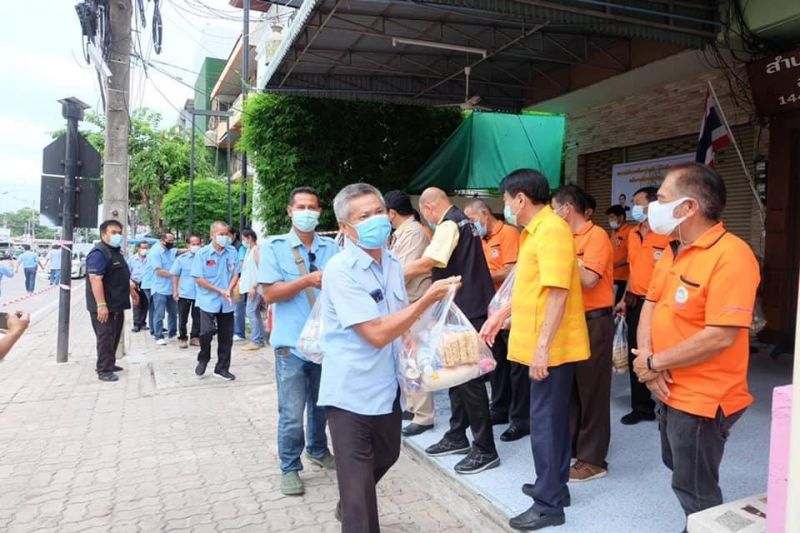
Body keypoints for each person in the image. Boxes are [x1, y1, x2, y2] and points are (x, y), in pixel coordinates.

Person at [317, 182, 459, 532]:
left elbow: (396, 313)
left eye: (379, 212)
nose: (376, 219)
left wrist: (411, 342)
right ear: (346, 227)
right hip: (349, 393)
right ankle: (353, 504)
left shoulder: (393, 262)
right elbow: (377, 332)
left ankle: (350, 499)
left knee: (388, 454)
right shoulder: (340, 271)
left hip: (386, 386)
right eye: (364, 216)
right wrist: (428, 300)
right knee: (361, 502)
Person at [632, 163, 759, 524]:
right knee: (676, 465)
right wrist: (647, 362)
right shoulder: (674, 249)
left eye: (661, 199)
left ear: (689, 207)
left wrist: (653, 364)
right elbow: (650, 304)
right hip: (668, 387)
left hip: (703, 398)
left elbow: (721, 334)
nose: (652, 208)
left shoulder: (732, 255)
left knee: (696, 489)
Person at [481, 169, 590, 531]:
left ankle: (548, 505)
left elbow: (558, 292)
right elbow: (532, 287)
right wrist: (501, 315)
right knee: (550, 422)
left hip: (551, 349)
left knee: (545, 425)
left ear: (520, 198)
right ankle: (555, 487)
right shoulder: (535, 232)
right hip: (538, 344)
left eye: (506, 200)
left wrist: (542, 349)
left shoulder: (552, 231)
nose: (506, 207)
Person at [405, 187, 498, 475]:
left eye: (426, 215)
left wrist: (391, 272)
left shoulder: (448, 225)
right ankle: (457, 434)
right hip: (467, 308)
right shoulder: (465, 222)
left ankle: (485, 448)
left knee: (469, 380)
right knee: (456, 375)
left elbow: (429, 262)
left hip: (466, 311)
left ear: (429, 208)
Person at [258, 187, 339, 496]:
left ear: (320, 212)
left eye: (312, 207)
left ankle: (317, 449)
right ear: (290, 211)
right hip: (290, 346)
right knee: (292, 413)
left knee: (321, 405)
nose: (307, 212)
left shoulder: (332, 248)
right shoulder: (274, 247)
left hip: (324, 343)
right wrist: (306, 280)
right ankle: (290, 467)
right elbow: (270, 294)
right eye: (301, 207)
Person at [552, 185, 615, 482]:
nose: (552, 214)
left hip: (593, 321)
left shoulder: (596, 235)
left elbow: (589, 279)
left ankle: (593, 460)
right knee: (573, 390)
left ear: (567, 208)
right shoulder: (565, 237)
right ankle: (575, 448)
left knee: (593, 391)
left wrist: (563, 255)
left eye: (554, 208)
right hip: (570, 322)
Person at [464, 198, 529, 442]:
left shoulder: (509, 233)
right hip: (491, 309)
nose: (471, 225)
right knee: (497, 362)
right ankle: (500, 408)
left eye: (472, 219)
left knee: (516, 365)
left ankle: (520, 419)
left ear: (485, 214)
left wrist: (480, 276)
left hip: (511, 309)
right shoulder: (480, 239)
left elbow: (512, 270)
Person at [615, 186, 671, 425]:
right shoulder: (633, 233)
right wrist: (623, 299)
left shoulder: (667, 234)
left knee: (664, 354)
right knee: (637, 353)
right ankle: (641, 407)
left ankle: (669, 408)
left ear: (653, 205)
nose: (634, 208)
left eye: (638, 202)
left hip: (661, 304)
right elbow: (633, 270)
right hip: (635, 302)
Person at [384, 190, 433, 437]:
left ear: (391, 213)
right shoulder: (402, 233)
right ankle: (413, 407)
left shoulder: (413, 232)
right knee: (407, 358)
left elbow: (404, 270)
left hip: (415, 302)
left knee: (416, 357)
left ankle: (424, 416)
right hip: (406, 304)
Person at [85, 220, 139, 382]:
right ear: (104, 234)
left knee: (114, 336)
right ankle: (104, 370)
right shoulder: (99, 253)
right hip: (105, 305)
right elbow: (95, 279)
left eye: (119, 233)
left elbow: (120, 275)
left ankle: (110, 362)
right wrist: (101, 305)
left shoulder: (115, 252)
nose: (117, 236)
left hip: (117, 304)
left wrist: (131, 290)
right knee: (105, 337)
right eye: (113, 232)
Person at [191, 221, 240, 381]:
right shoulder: (203, 254)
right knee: (206, 331)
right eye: (221, 234)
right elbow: (198, 278)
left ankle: (222, 368)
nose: (225, 237)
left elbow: (236, 273)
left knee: (226, 336)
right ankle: (203, 358)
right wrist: (220, 291)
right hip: (208, 299)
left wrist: (229, 289)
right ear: (212, 235)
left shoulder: (232, 251)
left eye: (227, 234)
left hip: (227, 302)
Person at [171, 235, 202, 349]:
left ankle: (195, 337)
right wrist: (175, 291)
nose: (196, 246)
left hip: (200, 293)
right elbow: (175, 275)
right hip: (185, 292)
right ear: (188, 245)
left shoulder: (204, 258)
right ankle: (182, 338)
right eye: (193, 244)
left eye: (198, 244)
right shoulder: (181, 259)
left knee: (197, 317)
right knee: (182, 317)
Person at [148, 233, 178, 346]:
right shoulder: (155, 252)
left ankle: (172, 333)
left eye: (172, 240)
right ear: (162, 240)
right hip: (159, 288)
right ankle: (158, 335)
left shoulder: (170, 251)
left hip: (171, 288)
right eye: (169, 241)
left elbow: (179, 251)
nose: (171, 243)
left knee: (173, 312)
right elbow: (158, 271)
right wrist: (174, 274)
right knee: (159, 313)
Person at [239, 229, 265, 351]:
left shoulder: (256, 250)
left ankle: (256, 340)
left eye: (244, 239)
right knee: (254, 312)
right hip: (251, 287)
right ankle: (259, 339)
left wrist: (254, 286)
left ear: (249, 238)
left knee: (251, 312)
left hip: (255, 287)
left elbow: (262, 269)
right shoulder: (249, 250)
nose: (243, 241)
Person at [606, 205, 634, 303]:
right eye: (609, 218)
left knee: (618, 304)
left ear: (621, 217)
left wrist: (614, 264)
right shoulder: (614, 232)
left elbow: (631, 255)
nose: (610, 220)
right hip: (612, 276)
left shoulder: (630, 232)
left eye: (612, 217)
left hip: (623, 279)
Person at [127, 241, 150, 332]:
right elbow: (127, 272)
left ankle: (143, 323)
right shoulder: (132, 259)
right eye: (143, 248)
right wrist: (130, 283)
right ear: (138, 248)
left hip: (146, 284)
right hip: (135, 284)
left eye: (147, 248)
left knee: (145, 304)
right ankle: (136, 324)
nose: (145, 250)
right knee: (136, 303)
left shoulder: (150, 259)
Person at [232, 228, 248, 343]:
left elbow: (241, 265)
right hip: (232, 280)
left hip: (238, 281)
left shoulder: (239, 247)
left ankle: (239, 332)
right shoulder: (231, 247)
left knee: (238, 307)